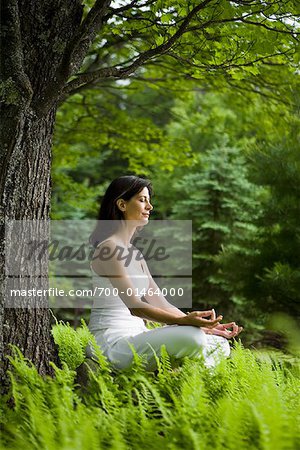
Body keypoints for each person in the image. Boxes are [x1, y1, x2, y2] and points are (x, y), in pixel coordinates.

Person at [86, 175, 243, 371]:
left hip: (136, 336)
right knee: (193, 338)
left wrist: (201, 326)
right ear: (122, 204)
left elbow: (160, 302)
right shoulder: (108, 249)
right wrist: (184, 323)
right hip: (111, 343)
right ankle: (179, 382)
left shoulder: (135, 255)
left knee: (219, 345)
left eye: (149, 201)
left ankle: (182, 385)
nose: (149, 207)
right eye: (142, 200)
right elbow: (136, 307)